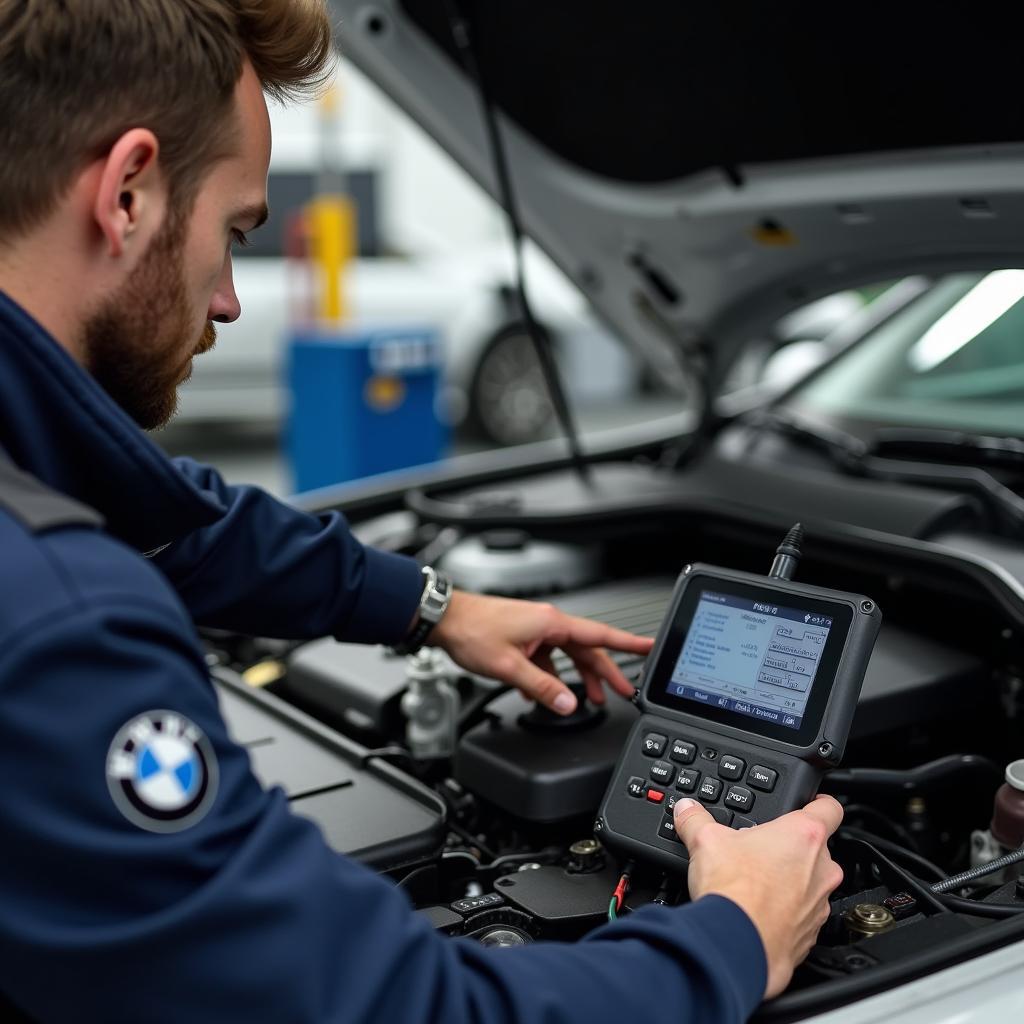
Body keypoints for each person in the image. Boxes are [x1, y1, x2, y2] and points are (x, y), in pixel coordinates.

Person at [0, 2, 844, 1021]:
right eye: (233, 233)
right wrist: (734, 935)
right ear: (127, 190)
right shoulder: (60, 619)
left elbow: (167, 517)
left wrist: (434, 605)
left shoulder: (41, 480)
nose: (225, 299)